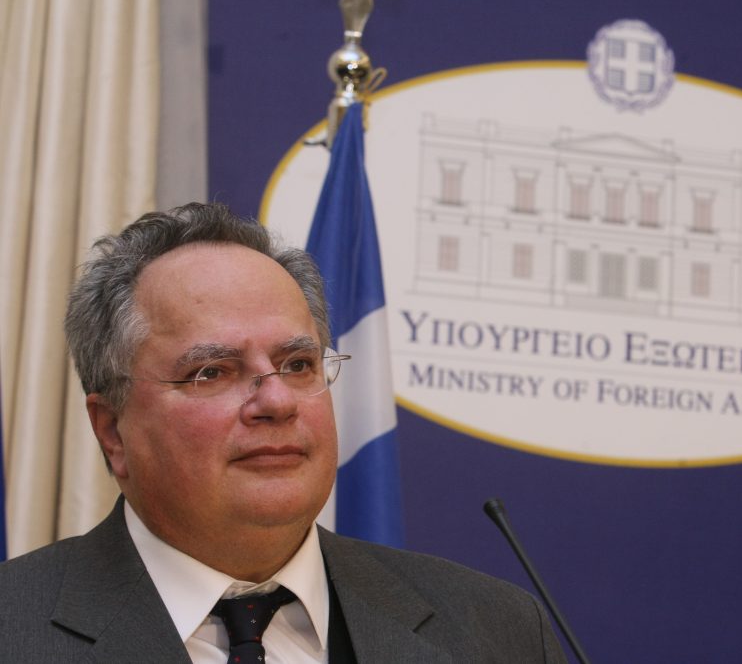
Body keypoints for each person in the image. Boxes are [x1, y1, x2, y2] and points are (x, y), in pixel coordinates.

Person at [0, 203, 566, 663]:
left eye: (297, 365)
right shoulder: (14, 628)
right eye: (212, 372)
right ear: (112, 431)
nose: (276, 401)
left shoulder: (498, 632)